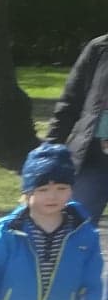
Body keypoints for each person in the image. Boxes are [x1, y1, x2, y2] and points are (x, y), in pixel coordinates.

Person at [0, 142, 105, 300]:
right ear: (28, 193)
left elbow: (92, 281)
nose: (53, 196)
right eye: (43, 190)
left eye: (61, 188)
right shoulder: (8, 233)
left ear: (71, 190)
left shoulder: (84, 235)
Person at [45, 31, 108, 223]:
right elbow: (70, 102)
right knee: (74, 225)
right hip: (93, 157)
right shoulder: (99, 48)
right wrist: (50, 146)